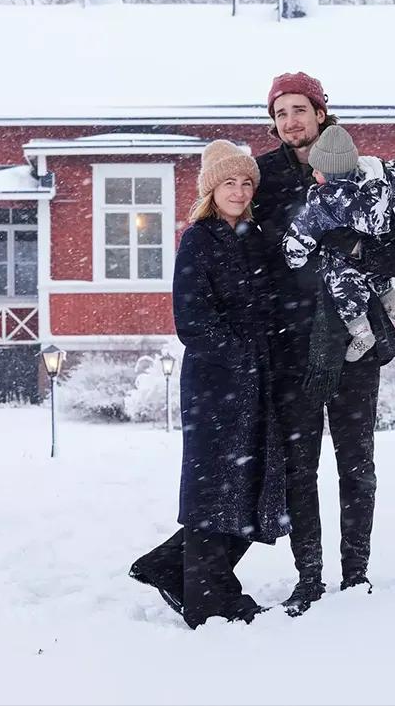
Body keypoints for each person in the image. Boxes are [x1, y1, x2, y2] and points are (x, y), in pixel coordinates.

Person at [253, 72, 395, 616]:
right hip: (292, 339)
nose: (291, 121)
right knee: (300, 464)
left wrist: (353, 246)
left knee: (356, 460)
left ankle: (357, 575)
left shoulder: (360, 169)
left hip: (353, 339)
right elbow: (260, 258)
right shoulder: (263, 178)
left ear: (321, 113)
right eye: (281, 113)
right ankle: (308, 577)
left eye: (300, 109)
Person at [129, 139, 288, 629]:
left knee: (250, 488)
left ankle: (170, 568)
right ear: (210, 189)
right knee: (215, 490)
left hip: (260, 380)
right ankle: (209, 599)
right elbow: (192, 319)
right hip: (217, 384)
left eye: (245, 182)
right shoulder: (199, 238)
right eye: (229, 183)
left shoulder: (256, 236)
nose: (239, 191)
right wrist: (242, 359)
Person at [283, 124, 395, 361]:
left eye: (317, 171)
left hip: (342, 269)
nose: (313, 175)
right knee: (376, 273)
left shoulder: (324, 201)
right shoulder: (376, 189)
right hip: (375, 248)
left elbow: (302, 233)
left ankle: (361, 333)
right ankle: (392, 300)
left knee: (345, 287)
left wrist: (292, 254)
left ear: (329, 175)